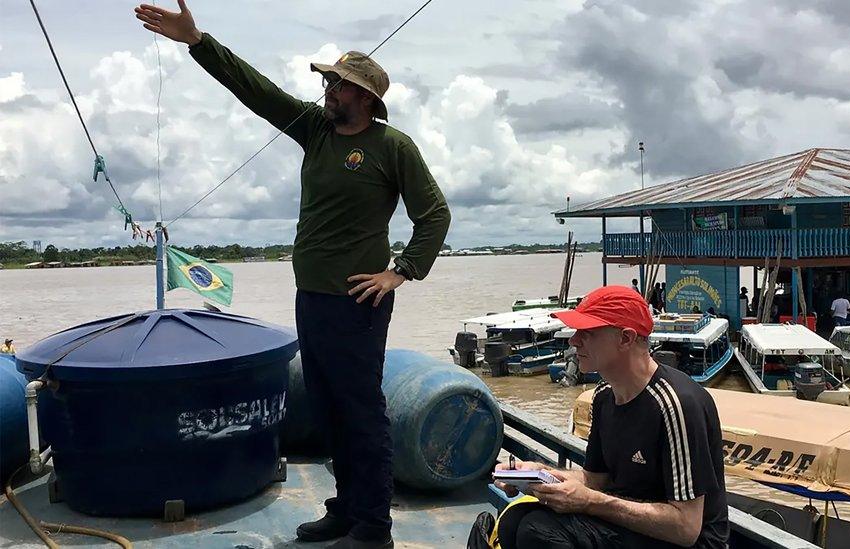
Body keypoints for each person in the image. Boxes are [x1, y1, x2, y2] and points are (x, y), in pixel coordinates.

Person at [134, 3, 451, 548]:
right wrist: (198, 41)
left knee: (361, 412)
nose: (329, 89)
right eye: (329, 81)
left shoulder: (391, 147)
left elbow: (435, 215)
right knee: (329, 410)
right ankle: (346, 508)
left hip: (358, 305)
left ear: (368, 99)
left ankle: (374, 527)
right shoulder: (316, 130)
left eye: (340, 85)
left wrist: (400, 272)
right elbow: (254, 90)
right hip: (313, 297)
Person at [493, 286, 728, 548]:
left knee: (537, 531)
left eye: (588, 333)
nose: (574, 341)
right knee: (513, 520)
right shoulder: (605, 396)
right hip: (631, 523)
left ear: (626, 339)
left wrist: (590, 501)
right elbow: (595, 480)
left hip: (685, 541)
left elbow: (687, 527)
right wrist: (538, 474)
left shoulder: (676, 405)